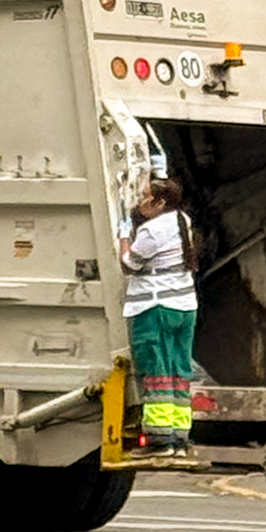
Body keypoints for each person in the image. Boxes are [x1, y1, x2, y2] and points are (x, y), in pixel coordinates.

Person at [121, 175, 199, 455]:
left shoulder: (151, 232)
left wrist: (123, 236)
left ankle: (159, 440)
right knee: (179, 372)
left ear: (159, 202)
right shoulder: (183, 221)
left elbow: (129, 264)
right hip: (184, 306)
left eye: (144, 196)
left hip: (155, 308)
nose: (140, 201)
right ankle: (180, 438)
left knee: (156, 374)